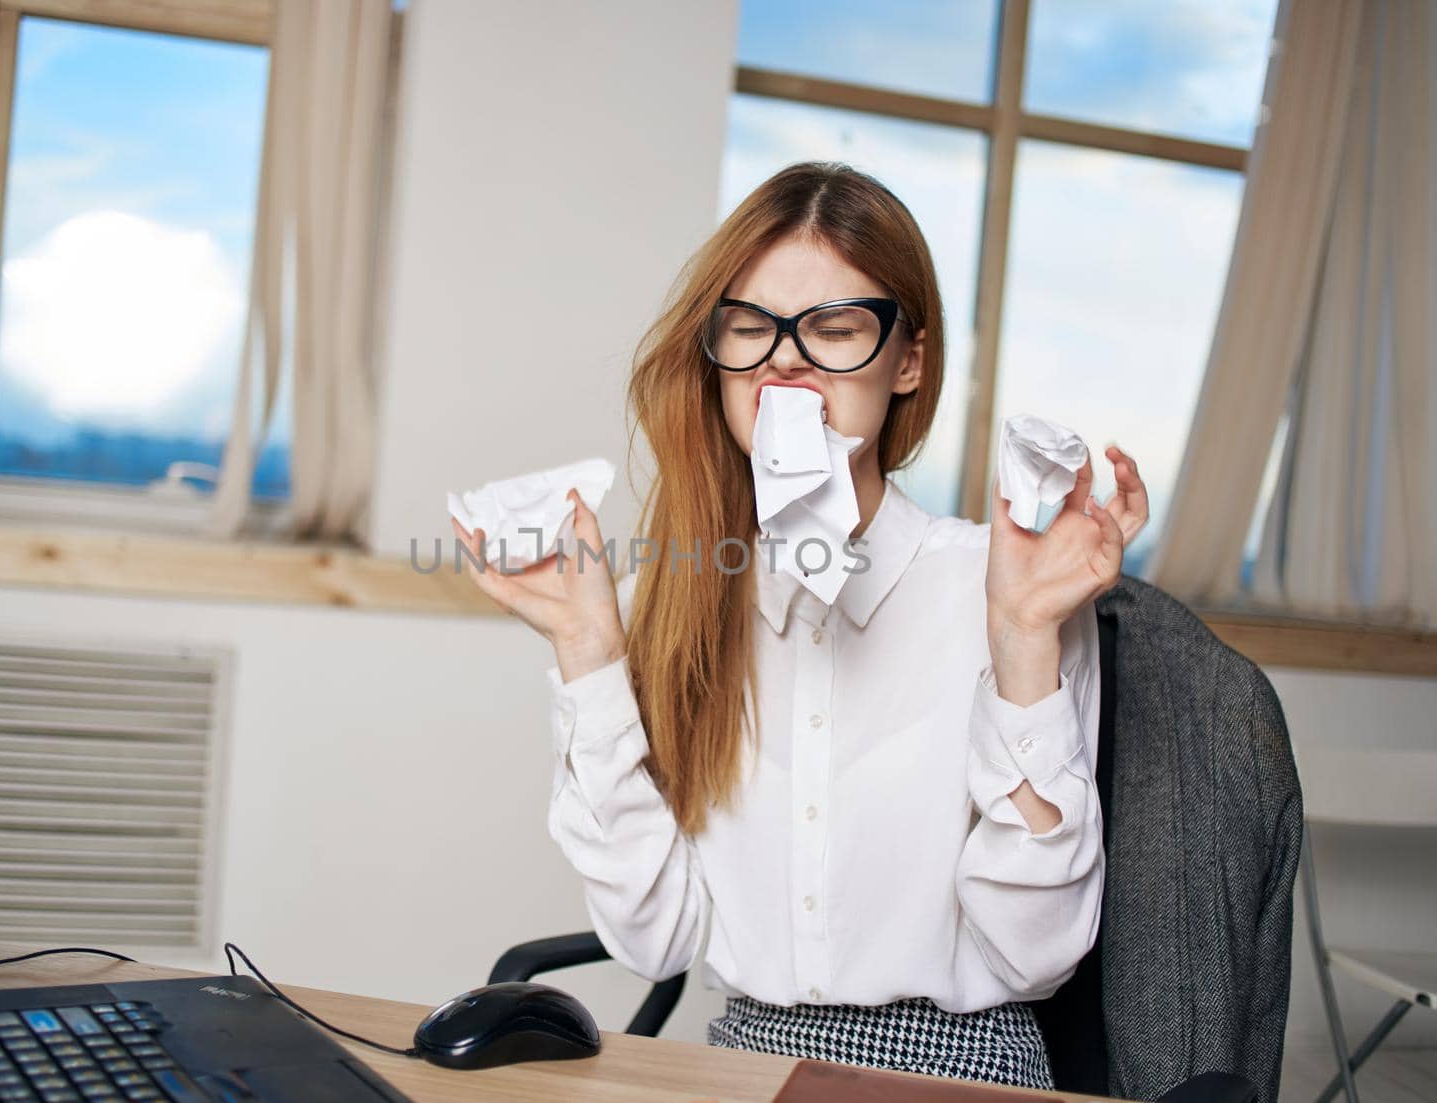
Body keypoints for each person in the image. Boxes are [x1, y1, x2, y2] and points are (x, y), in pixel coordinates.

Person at [450, 161, 1149, 1089]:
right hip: (739, 1066)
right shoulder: (680, 595)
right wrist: (590, 654)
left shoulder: (1004, 585)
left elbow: (1036, 953)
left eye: (833, 328)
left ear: (908, 361)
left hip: (961, 1074)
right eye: (751, 327)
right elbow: (657, 940)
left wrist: (1022, 637)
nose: (784, 359)